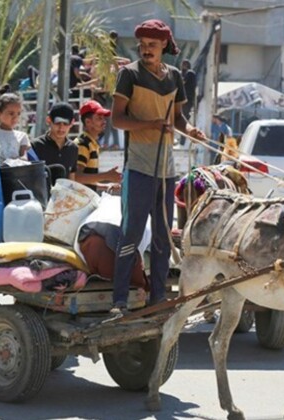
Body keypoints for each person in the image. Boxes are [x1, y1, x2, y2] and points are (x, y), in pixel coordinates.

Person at [109, 19, 205, 313]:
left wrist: (189, 130)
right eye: (142, 45)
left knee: (164, 235)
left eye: (152, 45)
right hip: (138, 167)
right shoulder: (129, 74)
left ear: (164, 45)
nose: (146, 49)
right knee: (132, 233)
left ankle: (158, 297)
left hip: (166, 168)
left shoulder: (175, 76)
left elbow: (178, 118)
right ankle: (119, 299)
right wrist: (149, 124)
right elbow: (117, 119)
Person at [74, 100, 121, 190]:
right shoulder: (83, 144)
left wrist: (106, 186)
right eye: (99, 118)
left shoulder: (92, 143)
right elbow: (77, 177)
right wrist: (106, 175)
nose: (104, 121)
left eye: (104, 118)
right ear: (88, 122)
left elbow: (86, 181)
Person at [30, 102, 79, 181]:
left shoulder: (73, 148)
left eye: (65, 124)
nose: (61, 128)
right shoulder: (35, 145)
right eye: (57, 123)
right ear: (49, 120)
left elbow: (71, 178)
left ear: (72, 123)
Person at [0, 91, 30, 163]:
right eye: (11, 113)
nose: (15, 118)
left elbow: (24, 157)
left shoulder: (22, 136)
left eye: (18, 114)